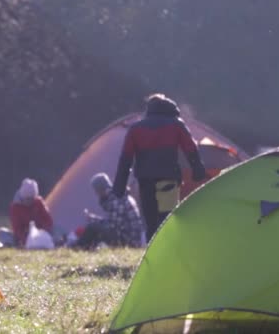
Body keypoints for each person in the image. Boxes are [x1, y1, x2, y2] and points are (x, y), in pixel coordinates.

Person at [112, 93, 206, 241]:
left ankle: (151, 255)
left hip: (145, 180)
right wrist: (198, 170)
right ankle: (168, 252)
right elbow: (190, 148)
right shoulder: (176, 124)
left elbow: (126, 158)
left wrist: (119, 185)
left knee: (150, 222)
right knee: (167, 219)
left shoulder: (136, 129)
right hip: (169, 179)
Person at [72, 173, 145, 249]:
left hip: (129, 242)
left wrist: (94, 221)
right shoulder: (118, 195)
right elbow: (113, 222)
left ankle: (77, 247)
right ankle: (83, 247)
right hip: (130, 238)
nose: (96, 194)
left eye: (96, 191)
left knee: (93, 227)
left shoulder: (117, 199)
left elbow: (114, 226)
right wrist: (94, 218)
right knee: (96, 227)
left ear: (100, 189)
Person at [1, 178, 54, 248]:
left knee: (56, 230)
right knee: (1, 233)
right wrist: (26, 238)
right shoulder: (15, 207)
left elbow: (48, 220)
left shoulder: (38, 202)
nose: (30, 201)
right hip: (23, 236)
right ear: (22, 197)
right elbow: (17, 228)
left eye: (32, 199)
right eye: (27, 199)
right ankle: (13, 244)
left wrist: (41, 231)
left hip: (40, 234)